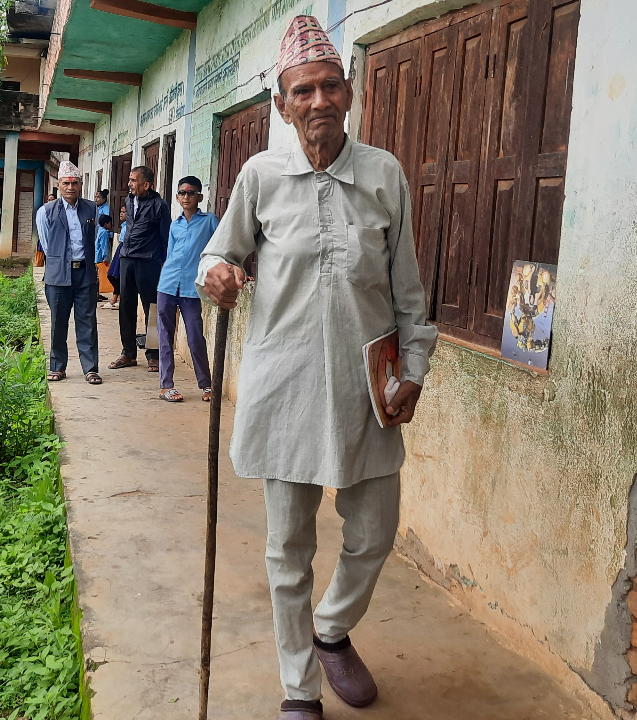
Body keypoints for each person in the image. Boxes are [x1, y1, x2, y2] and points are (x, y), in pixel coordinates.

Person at [197, 16, 438, 720]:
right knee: (288, 547)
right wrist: (216, 273)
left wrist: (415, 366)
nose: (319, 101)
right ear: (282, 104)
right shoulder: (261, 176)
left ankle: (330, 629)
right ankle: (299, 686)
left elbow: (409, 292)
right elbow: (222, 252)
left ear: (350, 92)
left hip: (367, 389)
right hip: (287, 387)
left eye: (331, 86)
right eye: (304, 90)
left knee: (374, 531)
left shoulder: (383, 174)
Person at [38, 161, 102, 385]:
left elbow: (93, 238)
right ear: (59, 185)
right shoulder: (46, 211)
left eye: (75, 183)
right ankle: (57, 367)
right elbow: (46, 244)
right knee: (59, 322)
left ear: (80, 184)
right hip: (58, 275)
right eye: (66, 183)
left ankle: (90, 368)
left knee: (87, 321)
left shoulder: (91, 208)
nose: (71, 187)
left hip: (84, 273)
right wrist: (59, 261)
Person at [156, 176, 218, 403]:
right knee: (165, 336)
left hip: (192, 289)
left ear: (199, 196)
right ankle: (166, 385)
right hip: (168, 284)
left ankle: (206, 384)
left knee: (195, 336)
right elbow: (171, 254)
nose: (186, 196)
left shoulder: (210, 221)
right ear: (177, 196)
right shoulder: (175, 224)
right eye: (182, 192)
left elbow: (221, 248)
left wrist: (233, 268)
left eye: (191, 192)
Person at [109, 165, 171, 372]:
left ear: (146, 184)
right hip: (127, 259)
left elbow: (165, 238)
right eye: (129, 180)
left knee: (151, 308)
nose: (129, 184)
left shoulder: (159, 205)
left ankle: (153, 355)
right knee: (126, 307)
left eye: (134, 181)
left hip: (149, 261)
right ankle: (128, 353)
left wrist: (163, 264)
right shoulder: (128, 200)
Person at [95, 213, 112, 304]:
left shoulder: (99, 230)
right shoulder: (104, 232)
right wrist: (106, 257)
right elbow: (104, 246)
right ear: (106, 224)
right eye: (110, 223)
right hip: (100, 257)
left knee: (97, 277)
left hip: (97, 256)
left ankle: (97, 293)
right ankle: (96, 294)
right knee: (99, 277)